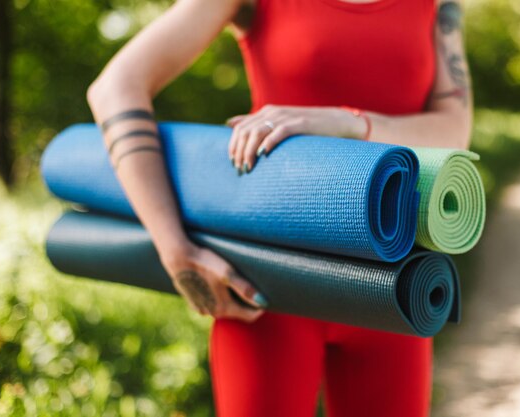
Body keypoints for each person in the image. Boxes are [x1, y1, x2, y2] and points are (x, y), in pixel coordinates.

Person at [86, 0, 472, 415]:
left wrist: (350, 124)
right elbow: (116, 86)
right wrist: (173, 246)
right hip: (268, 287)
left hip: (395, 281)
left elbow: (455, 128)